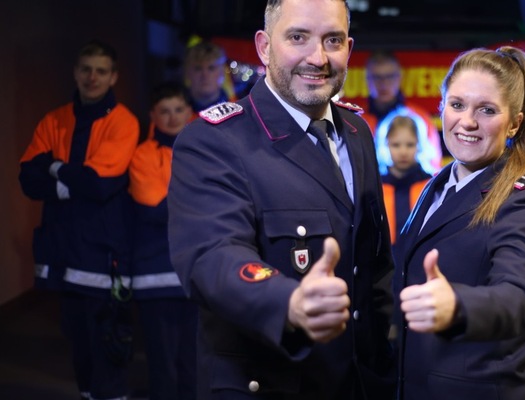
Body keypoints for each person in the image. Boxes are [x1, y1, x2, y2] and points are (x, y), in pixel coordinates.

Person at [167, 0, 395, 398]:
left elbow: (373, 269)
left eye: (333, 40)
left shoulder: (357, 133)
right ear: (264, 46)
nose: (318, 57)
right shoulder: (213, 141)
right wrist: (288, 300)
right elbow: (212, 257)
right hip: (272, 384)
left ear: (349, 48)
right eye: (298, 37)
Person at [394, 46, 525, 400]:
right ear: (442, 108)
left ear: (514, 123)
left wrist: (457, 304)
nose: (467, 121)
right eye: (457, 105)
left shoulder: (524, 201)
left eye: (486, 110)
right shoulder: (437, 183)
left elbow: (518, 299)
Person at [18, 40, 139, 400]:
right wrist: (70, 182)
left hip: (103, 248)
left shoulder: (123, 122)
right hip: (61, 248)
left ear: (113, 76)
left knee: (106, 336)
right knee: (76, 337)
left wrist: (53, 167)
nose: (92, 77)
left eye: (101, 71)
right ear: (75, 72)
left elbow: (100, 185)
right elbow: (28, 179)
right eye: (86, 69)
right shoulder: (54, 120)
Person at [128, 82, 197, 400]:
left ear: (190, 112)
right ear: (152, 115)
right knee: (163, 366)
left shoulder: (207, 150)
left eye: (178, 109)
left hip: (199, 274)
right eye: (164, 111)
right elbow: (156, 211)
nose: (172, 118)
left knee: (195, 364)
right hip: (156, 273)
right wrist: (200, 199)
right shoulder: (141, 155)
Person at [364, 50, 442, 172]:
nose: (383, 83)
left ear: (399, 77)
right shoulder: (356, 119)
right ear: (367, 79)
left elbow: (434, 164)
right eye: (377, 77)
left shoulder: (419, 118)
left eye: (389, 76)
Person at [379, 114, 432, 252]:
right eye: (396, 145)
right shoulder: (377, 186)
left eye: (410, 145)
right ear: (386, 144)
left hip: (421, 255)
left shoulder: (430, 185)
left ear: (419, 145)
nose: (403, 152)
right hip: (386, 262)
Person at [184, 40, 235, 113]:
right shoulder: (172, 110)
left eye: (211, 68)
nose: (205, 75)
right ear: (188, 73)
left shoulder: (237, 110)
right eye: (198, 68)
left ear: (222, 72)